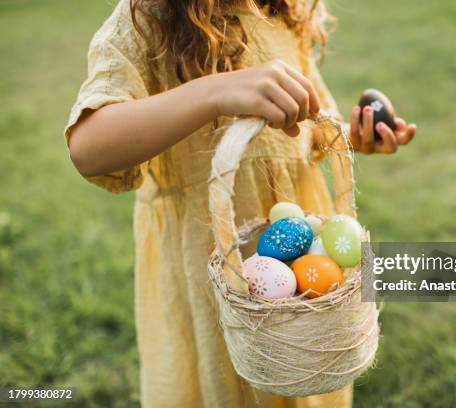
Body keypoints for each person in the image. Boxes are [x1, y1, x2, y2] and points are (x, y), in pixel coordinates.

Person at [65, 0, 417, 406]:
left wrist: (353, 138)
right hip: (209, 269)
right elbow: (89, 149)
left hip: (297, 278)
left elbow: (308, 127)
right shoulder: (146, 18)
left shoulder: (284, 12)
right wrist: (214, 92)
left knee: (298, 377)